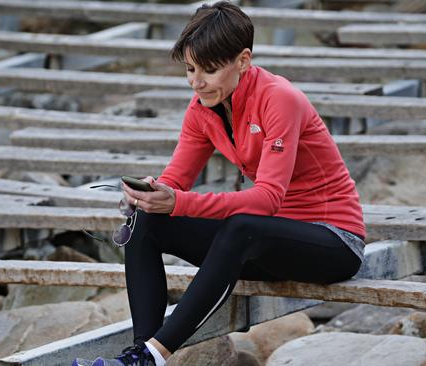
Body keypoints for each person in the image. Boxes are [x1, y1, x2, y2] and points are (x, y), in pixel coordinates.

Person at [74, 2, 365, 365]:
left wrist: (179, 202)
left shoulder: (279, 98)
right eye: (191, 69)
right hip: (268, 247)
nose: (197, 82)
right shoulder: (201, 109)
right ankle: (138, 353)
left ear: (243, 61)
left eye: (209, 71)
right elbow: (175, 180)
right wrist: (150, 195)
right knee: (144, 222)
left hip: (332, 241)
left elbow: (267, 200)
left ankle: (153, 356)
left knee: (243, 225)